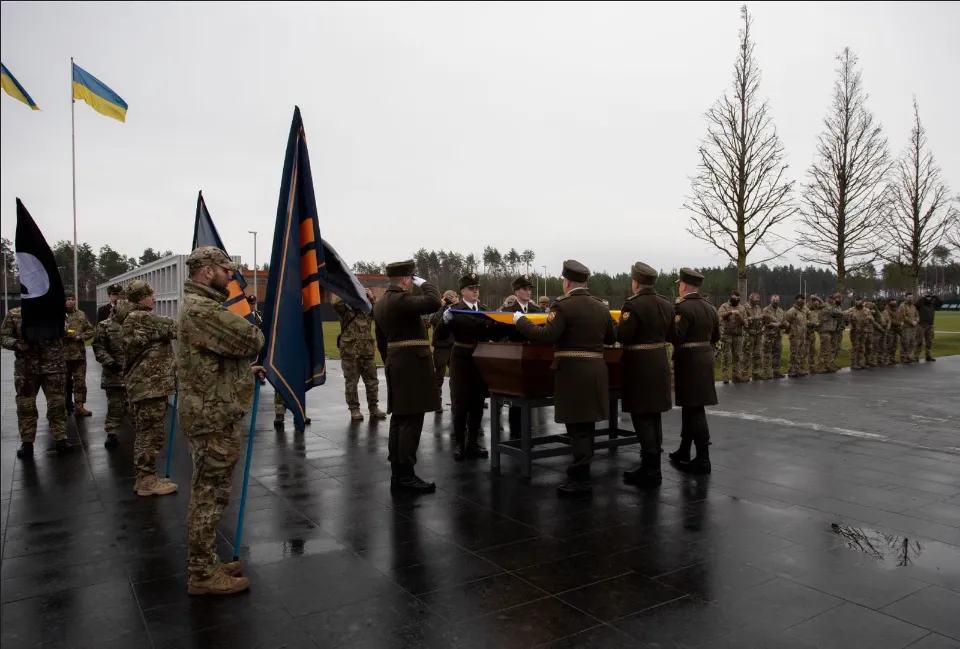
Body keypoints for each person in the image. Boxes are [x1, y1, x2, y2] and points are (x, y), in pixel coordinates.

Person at [177, 246, 265, 596]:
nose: (232, 275)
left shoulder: (199, 307)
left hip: (211, 410)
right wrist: (251, 342)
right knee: (209, 495)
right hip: (212, 417)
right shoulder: (203, 310)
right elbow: (251, 338)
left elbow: (216, 361)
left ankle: (207, 560)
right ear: (206, 271)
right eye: (226, 269)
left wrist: (246, 372)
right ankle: (201, 572)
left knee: (210, 492)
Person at [514, 260, 615, 497]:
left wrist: (521, 322)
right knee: (587, 423)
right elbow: (611, 338)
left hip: (573, 372)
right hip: (597, 369)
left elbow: (546, 335)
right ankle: (584, 470)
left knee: (577, 424)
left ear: (567, 282)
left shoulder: (563, 305)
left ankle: (580, 478)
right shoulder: (601, 307)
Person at [373, 260, 442, 493]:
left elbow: (381, 340)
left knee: (400, 420)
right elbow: (433, 301)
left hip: (398, 362)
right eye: (412, 278)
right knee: (411, 421)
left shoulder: (382, 303)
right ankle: (406, 475)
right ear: (404, 279)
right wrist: (427, 283)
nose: (413, 282)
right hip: (412, 365)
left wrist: (391, 360)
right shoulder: (400, 299)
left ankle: (399, 473)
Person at [615, 262, 675, 488]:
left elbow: (624, 335)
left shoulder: (633, 304)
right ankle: (654, 467)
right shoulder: (666, 304)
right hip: (660, 362)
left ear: (636, 282)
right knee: (654, 415)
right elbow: (672, 334)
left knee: (642, 417)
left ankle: (650, 470)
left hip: (640, 366)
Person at [116, 281, 178, 497]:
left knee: (147, 433)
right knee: (150, 434)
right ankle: (146, 481)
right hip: (149, 386)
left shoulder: (133, 317)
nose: (154, 298)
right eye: (150, 294)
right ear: (140, 297)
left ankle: (146, 477)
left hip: (145, 385)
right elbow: (177, 328)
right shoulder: (142, 317)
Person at [435, 273, 496, 461]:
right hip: (461, 358)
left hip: (480, 358)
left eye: (477, 287)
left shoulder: (484, 309)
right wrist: (444, 321)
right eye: (471, 288)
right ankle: (460, 443)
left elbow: (494, 330)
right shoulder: (456, 310)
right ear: (463, 291)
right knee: (461, 403)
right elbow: (439, 335)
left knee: (478, 403)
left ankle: (472, 442)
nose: (475, 291)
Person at [1, 307, 72, 458]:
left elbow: (64, 329)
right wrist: (17, 344)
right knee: (26, 406)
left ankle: (60, 439)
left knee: (57, 405)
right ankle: (27, 442)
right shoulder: (14, 314)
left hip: (53, 367)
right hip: (27, 368)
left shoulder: (55, 312)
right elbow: (4, 336)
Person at [668, 268, 720, 475]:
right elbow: (716, 336)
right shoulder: (710, 307)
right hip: (705, 359)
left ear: (684, 286)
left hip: (689, 362)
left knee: (695, 410)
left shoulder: (682, 308)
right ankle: (684, 449)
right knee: (691, 408)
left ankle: (703, 458)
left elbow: (676, 336)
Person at [250, 294, 312, 430]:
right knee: (280, 382)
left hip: (297, 352)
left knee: (299, 384)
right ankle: (279, 413)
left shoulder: (300, 315)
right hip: (282, 352)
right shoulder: (278, 313)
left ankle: (299, 413)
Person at [500, 275, 544, 437]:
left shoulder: (537, 311)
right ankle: (516, 435)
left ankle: (527, 433)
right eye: (525, 289)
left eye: (529, 289)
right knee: (516, 400)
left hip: (532, 357)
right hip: (515, 358)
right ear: (516, 292)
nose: (528, 292)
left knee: (530, 398)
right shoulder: (508, 311)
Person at [335, 289, 387, 422]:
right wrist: (350, 292)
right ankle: (354, 409)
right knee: (352, 381)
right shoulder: (345, 310)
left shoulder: (367, 309)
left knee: (372, 381)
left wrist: (371, 298)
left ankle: (373, 407)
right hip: (350, 351)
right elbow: (336, 303)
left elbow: (380, 314)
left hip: (367, 350)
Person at [92, 299, 127, 449]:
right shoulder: (104, 326)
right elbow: (98, 347)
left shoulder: (135, 324)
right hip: (114, 373)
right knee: (115, 404)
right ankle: (111, 431)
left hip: (134, 373)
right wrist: (110, 362)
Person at [63, 290, 95, 417]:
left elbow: (91, 330)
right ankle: (63, 406)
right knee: (62, 383)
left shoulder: (81, 315)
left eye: (72, 299)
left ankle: (79, 406)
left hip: (78, 356)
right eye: (68, 299)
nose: (70, 301)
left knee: (80, 382)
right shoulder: (58, 315)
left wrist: (80, 337)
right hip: (62, 356)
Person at [429, 290, 458, 413]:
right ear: (443, 298)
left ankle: (455, 403)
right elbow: (434, 320)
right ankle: (436, 403)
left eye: (453, 297)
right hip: (441, 347)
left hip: (454, 346)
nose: (450, 299)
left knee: (455, 377)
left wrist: (456, 305)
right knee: (438, 376)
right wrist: (442, 306)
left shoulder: (456, 308)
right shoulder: (438, 308)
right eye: (448, 298)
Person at [717, 291, 745, 384]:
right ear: (730, 297)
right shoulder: (724, 306)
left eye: (737, 299)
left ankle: (736, 375)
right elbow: (720, 317)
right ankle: (725, 376)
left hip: (738, 334)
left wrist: (739, 315)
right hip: (727, 334)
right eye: (734, 298)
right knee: (726, 356)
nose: (736, 300)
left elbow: (744, 322)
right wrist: (730, 313)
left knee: (737, 355)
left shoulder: (741, 308)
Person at [781, 295, 807, 378]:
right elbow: (786, 322)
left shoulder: (803, 311)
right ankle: (791, 370)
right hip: (795, 335)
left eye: (803, 300)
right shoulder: (791, 311)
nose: (802, 301)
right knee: (794, 353)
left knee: (800, 353)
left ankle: (798, 368)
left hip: (802, 335)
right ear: (796, 300)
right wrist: (790, 331)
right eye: (800, 300)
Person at [741, 293, 764, 381]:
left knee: (758, 354)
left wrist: (761, 320)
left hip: (758, 334)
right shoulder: (745, 307)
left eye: (758, 300)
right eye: (755, 300)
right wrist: (755, 318)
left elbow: (761, 318)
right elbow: (744, 320)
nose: (757, 302)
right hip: (748, 334)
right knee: (746, 354)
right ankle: (744, 373)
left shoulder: (758, 308)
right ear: (750, 299)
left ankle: (756, 373)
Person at [762, 295, 785, 379]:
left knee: (777, 355)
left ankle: (776, 372)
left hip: (778, 336)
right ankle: (766, 373)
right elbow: (766, 323)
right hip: (769, 336)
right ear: (770, 300)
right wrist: (777, 324)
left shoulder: (781, 311)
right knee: (767, 355)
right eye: (774, 300)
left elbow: (784, 322)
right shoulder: (766, 310)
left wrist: (785, 325)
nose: (776, 301)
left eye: (777, 300)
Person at [818, 295, 842, 373]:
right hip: (825, 330)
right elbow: (839, 313)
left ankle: (827, 365)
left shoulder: (830, 307)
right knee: (824, 349)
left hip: (831, 330)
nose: (835, 301)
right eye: (833, 299)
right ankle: (820, 367)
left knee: (829, 349)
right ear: (829, 300)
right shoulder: (827, 307)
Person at [915, 293, 943, 362]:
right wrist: (922, 297)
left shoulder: (932, 304)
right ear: (924, 297)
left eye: (929, 297)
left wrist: (935, 296)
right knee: (919, 341)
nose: (928, 298)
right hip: (921, 325)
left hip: (930, 325)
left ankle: (928, 355)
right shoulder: (921, 303)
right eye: (927, 297)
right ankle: (916, 356)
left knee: (929, 341)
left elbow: (941, 303)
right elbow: (916, 305)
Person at [898, 294, 920, 363]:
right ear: (905, 298)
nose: (910, 299)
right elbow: (903, 316)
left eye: (912, 297)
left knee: (912, 342)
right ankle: (903, 357)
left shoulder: (913, 307)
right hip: (906, 328)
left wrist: (916, 321)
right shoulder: (902, 306)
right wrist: (911, 322)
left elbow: (917, 315)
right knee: (905, 342)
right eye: (909, 297)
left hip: (913, 328)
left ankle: (908, 356)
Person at [804, 295, 822, 374]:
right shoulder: (805, 309)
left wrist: (818, 298)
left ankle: (812, 368)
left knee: (812, 351)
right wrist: (812, 323)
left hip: (812, 333)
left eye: (817, 305)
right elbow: (803, 319)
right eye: (815, 304)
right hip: (805, 333)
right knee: (804, 352)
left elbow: (823, 304)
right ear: (811, 303)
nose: (816, 306)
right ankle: (801, 368)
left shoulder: (816, 310)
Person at [886, 298, 904, 364]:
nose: (893, 303)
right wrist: (899, 323)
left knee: (895, 344)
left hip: (897, 329)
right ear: (889, 302)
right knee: (889, 344)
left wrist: (901, 322)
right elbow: (890, 320)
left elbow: (901, 317)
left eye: (894, 302)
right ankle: (887, 359)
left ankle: (892, 358)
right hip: (890, 329)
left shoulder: (897, 310)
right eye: (892, 302)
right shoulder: (887, 310)